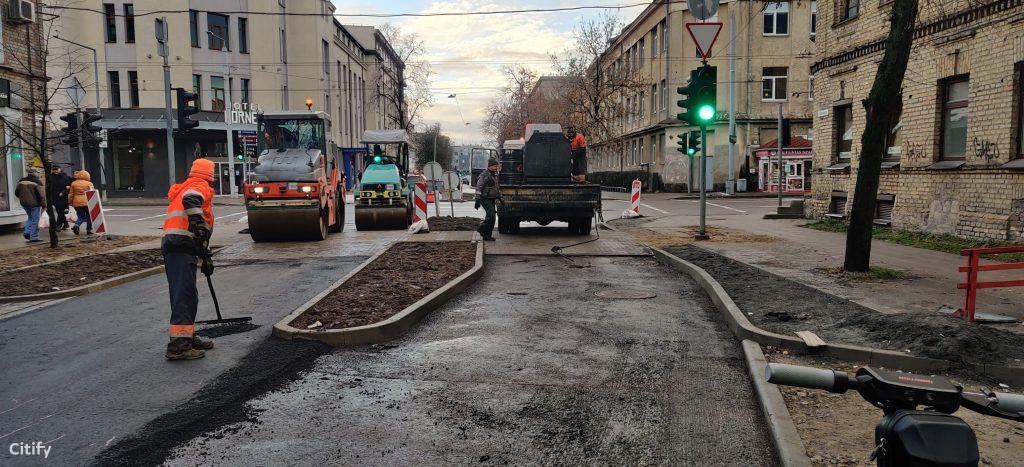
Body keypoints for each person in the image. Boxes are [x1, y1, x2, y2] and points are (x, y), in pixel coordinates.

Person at [162, 158, 217, 360]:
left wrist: (206, 258)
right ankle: (178, 346)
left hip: (181, 245)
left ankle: (188, 335)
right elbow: (191, 201)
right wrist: (199, 222)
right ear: (210, 174)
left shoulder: (188, 185)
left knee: (188, 295)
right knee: (183, 296)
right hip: (179, 245)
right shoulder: (197, 186)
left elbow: (199, 233)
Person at [15, 169, 45, 243]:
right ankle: (33, 237)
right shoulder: (37, 182)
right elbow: (41, 196)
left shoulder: (21, 181)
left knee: (30, 217)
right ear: (34, 173)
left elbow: (16, 192)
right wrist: (44, 205)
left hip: (24, 203)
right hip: (35, 204)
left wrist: (22, 198)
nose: (37, 174)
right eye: (37, 173)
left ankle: (27, 232)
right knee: (35, 219)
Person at [475, 158, 500, 241]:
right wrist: (477, 199)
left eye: (497, 166)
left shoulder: (494, 175)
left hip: (492, 199)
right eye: (495, 166)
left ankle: (487, 235)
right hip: (485, 198)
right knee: (491, 215)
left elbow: (496, 188)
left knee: (492, 218)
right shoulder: (484, 175)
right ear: (490, 166)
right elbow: (479, 187)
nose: (496, 167)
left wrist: (500, 197)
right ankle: (481, 229)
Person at [68, 170, 95, 235]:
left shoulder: (73, 183)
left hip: (77, 202)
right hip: (87, 202)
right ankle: (89, 230)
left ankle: (76, 225)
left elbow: (71, 194)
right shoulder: (89, 184)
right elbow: (92, 193)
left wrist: (70, 202)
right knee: (89, 216)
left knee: (80, 216)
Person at [51, 165, 74, 230]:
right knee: (59, 211)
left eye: (56, 169)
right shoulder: (50, 177)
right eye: (54, 169)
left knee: (61, 212)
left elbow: (69, 186)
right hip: (54, 197)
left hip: (63, 197)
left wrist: (63, 192)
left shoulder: (65, 176)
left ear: (60, 169)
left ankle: (58, 225)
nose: (55, 170)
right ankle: (66, 224)